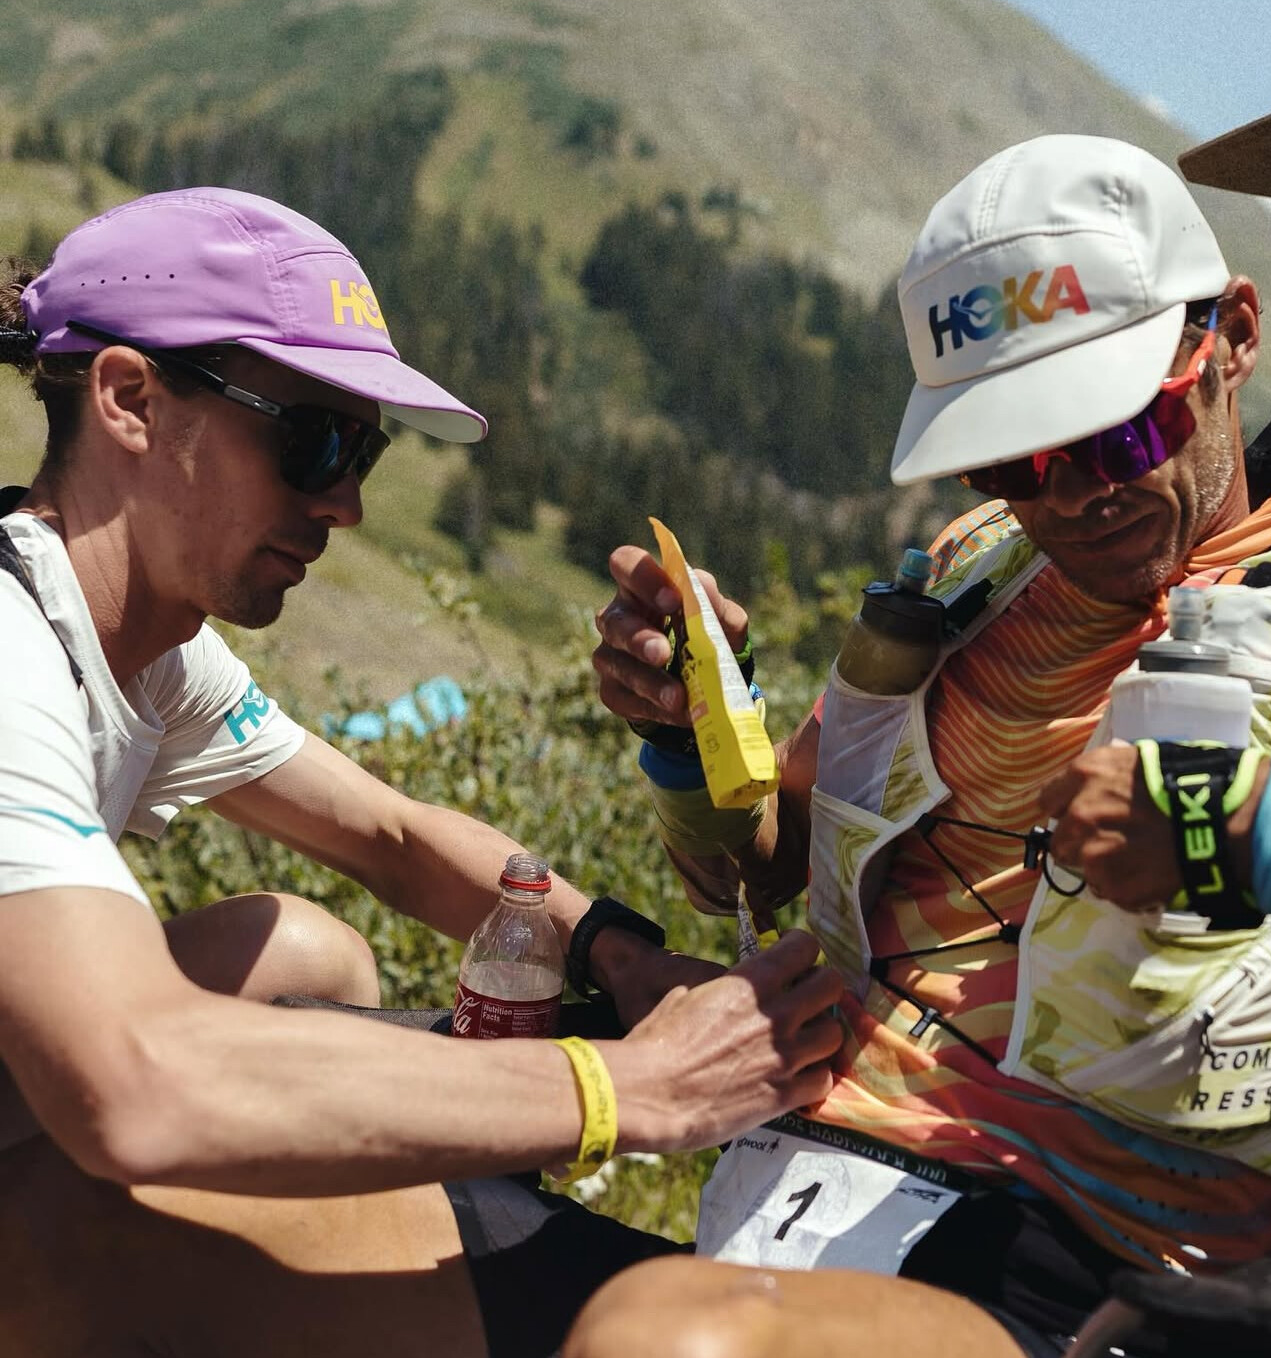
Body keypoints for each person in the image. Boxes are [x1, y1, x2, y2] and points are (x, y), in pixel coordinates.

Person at [0, 186, 845, 1358]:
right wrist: (635, 1085)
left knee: (305, 952)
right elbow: (131, 1086)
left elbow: (390, 837)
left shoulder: (141, 646)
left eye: (365, 451)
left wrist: (623, 959)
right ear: (131, 399)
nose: (345, 502)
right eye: (313, 440)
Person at [583, 133, 1271, 1358]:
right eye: (1016, 459)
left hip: (1072, 1256)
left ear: (1228, 336)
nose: (1074, 496)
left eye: (1121, 435)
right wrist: (691, 739)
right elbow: (771, 867)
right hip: (786, 1179)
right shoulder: (976, 570)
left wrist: (1229, 834)